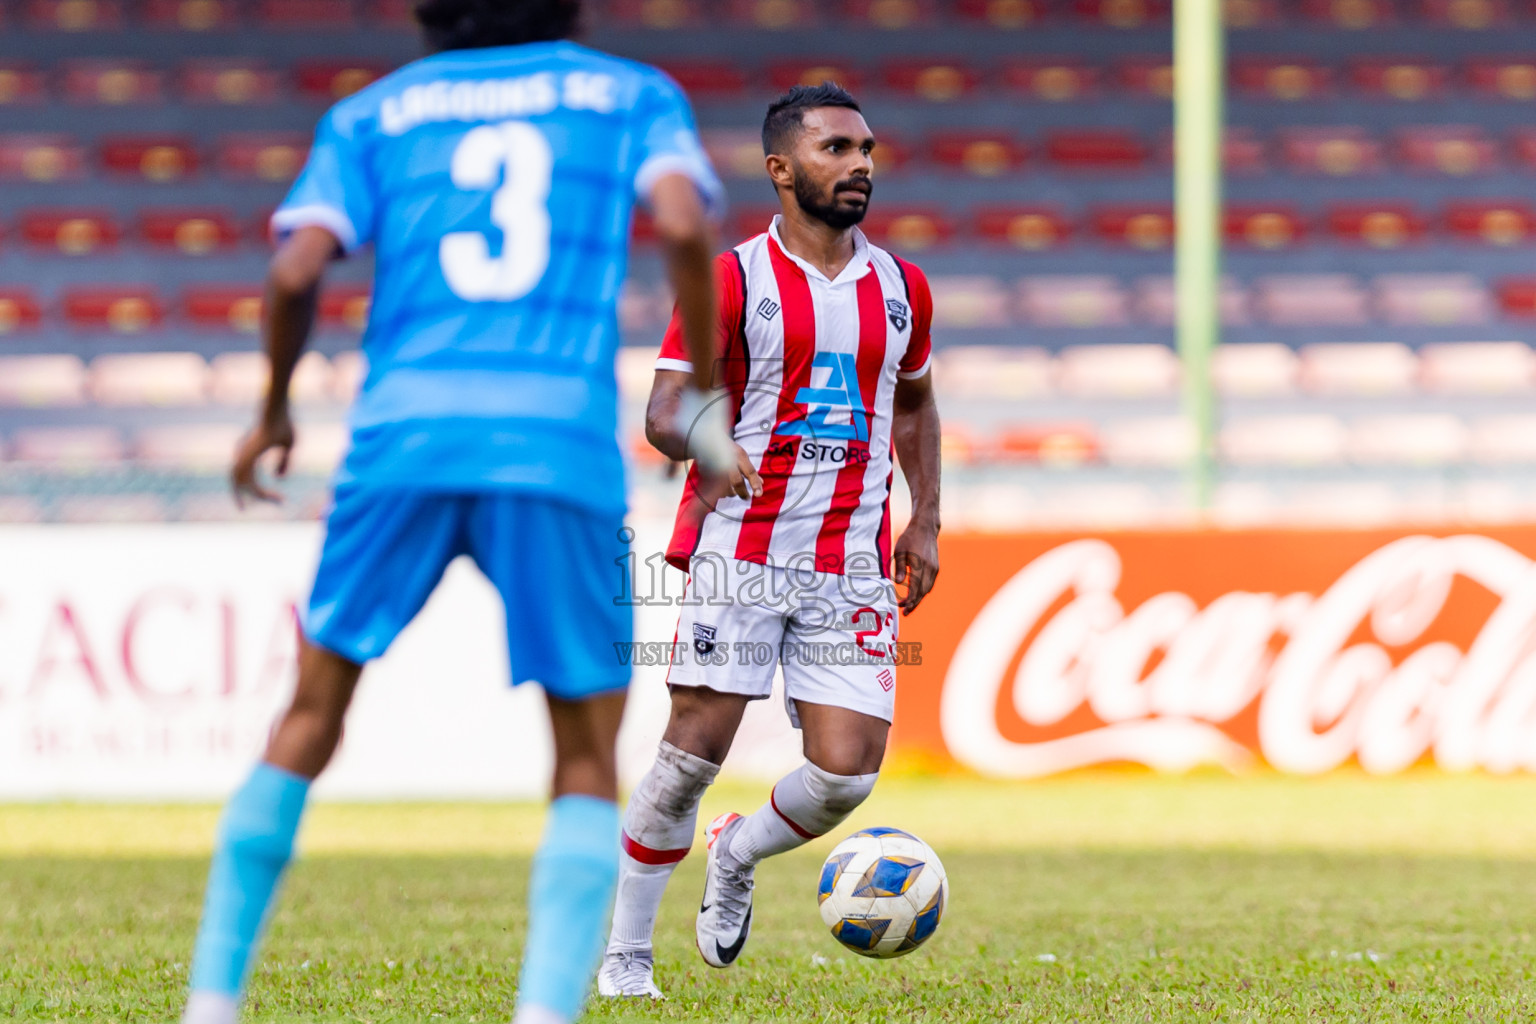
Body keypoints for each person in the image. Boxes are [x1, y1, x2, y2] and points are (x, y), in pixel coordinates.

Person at [178, 2, 735, 1023]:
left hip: (403, 437)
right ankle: (541, 1014)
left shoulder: (372, 114)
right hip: (555, 444)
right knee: (579, 748)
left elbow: (296, 266)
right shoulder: (627, 94)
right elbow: (688, 223)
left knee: (309, 714)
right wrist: (699, 390)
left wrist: (272, 412)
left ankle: (211, 1003)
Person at [598, 82, 943, 999]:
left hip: (850, 565)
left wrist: (929, 515)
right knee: (685, 764)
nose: (860, 164)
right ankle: (627, 958)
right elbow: (664, 411)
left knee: (845, 778)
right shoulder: (729, 280)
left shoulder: (901, 288)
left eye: (866, 148)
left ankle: (738, 854)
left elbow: (914, 403)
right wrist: (715, 444)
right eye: (836, 149)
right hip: (741, 554)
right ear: (781, 169)